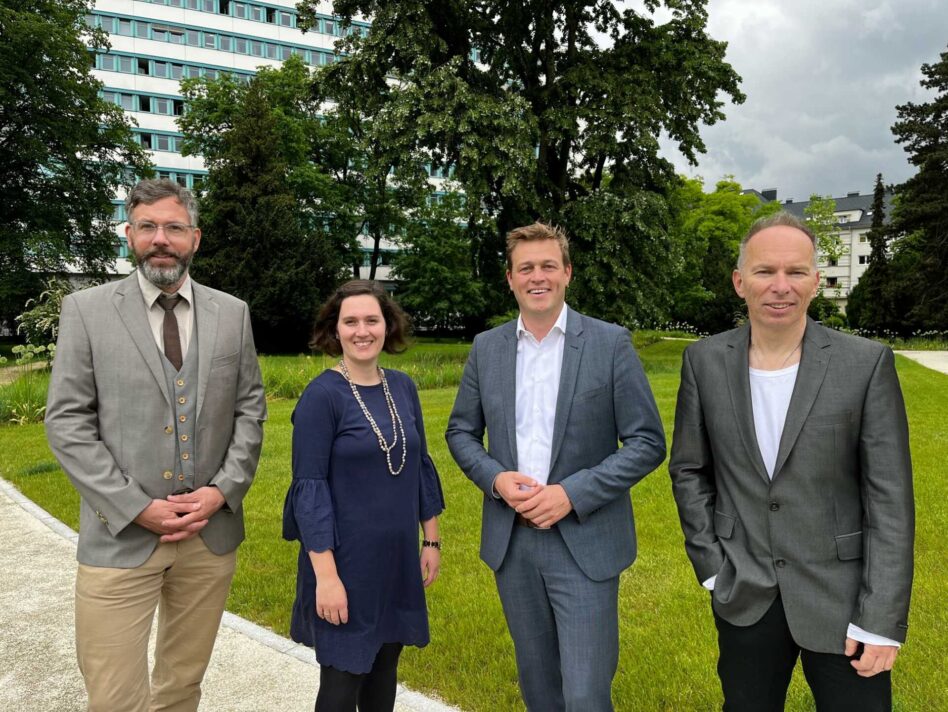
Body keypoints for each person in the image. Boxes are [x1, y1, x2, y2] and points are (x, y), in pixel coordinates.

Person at [669, 212, 914, 711]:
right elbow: (689, 470)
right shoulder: (704, 361)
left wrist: (881, 618)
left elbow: (889, 500)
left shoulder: (865, 363)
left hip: (844, 599)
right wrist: (713, 568)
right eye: (765, 272)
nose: (780, 286)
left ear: (815, 281)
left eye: (796, 272)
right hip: (746, 591)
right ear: (740, 282)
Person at [44, 178, 267, 711]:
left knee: (182, 685)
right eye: (147, 227)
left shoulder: (231, 312)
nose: (160, 239)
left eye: (173, 227)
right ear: (129, 235)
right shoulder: (87, 310)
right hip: (120, 540)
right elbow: (67, 421)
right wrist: (134, 507)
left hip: (208, 538)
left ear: (195, 237)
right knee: (115, 695)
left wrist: (221, 492)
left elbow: (250, 409)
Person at [445, 222, 666, 711]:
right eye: (526, 268)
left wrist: (573, 493)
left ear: (567, 272)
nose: (537, 276)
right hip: (514, 542)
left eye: (548, 265)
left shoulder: (610, 344)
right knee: (539, 686)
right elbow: (460, 432)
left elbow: (648, 441)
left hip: (583, 542)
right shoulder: (488, 348)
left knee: (586, 694)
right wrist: (496, 479)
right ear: (510, 278)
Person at [283, 280, 445, 712]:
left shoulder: (403, 387)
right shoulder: (322, 397)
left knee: (383, 676)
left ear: (386, 326)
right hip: (343, 565)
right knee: (341, 686)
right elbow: (309, 493)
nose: (362, 331)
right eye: (350, 321)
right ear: (334, 331)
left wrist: (430, 540)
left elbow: (420, 469)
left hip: (395, 562)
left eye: (371, 320)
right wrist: (327, 578)